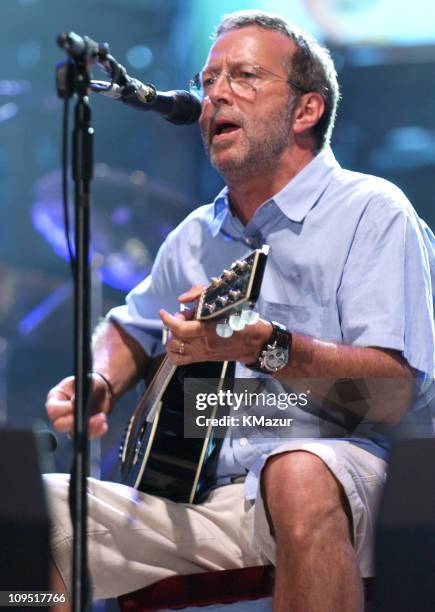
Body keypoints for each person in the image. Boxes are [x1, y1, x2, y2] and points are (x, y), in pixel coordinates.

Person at [45, 9, 435, 612]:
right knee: (35, 508)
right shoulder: (196, 235)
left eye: (246, 76)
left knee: (295, 472)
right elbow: (130, 324)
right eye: (208, 82)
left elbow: (393, 393)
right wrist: (101, 380)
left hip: (354, 481)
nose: (215, 95)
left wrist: (266, 347)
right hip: (210, 497)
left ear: (307, 110)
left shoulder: (373, 212)